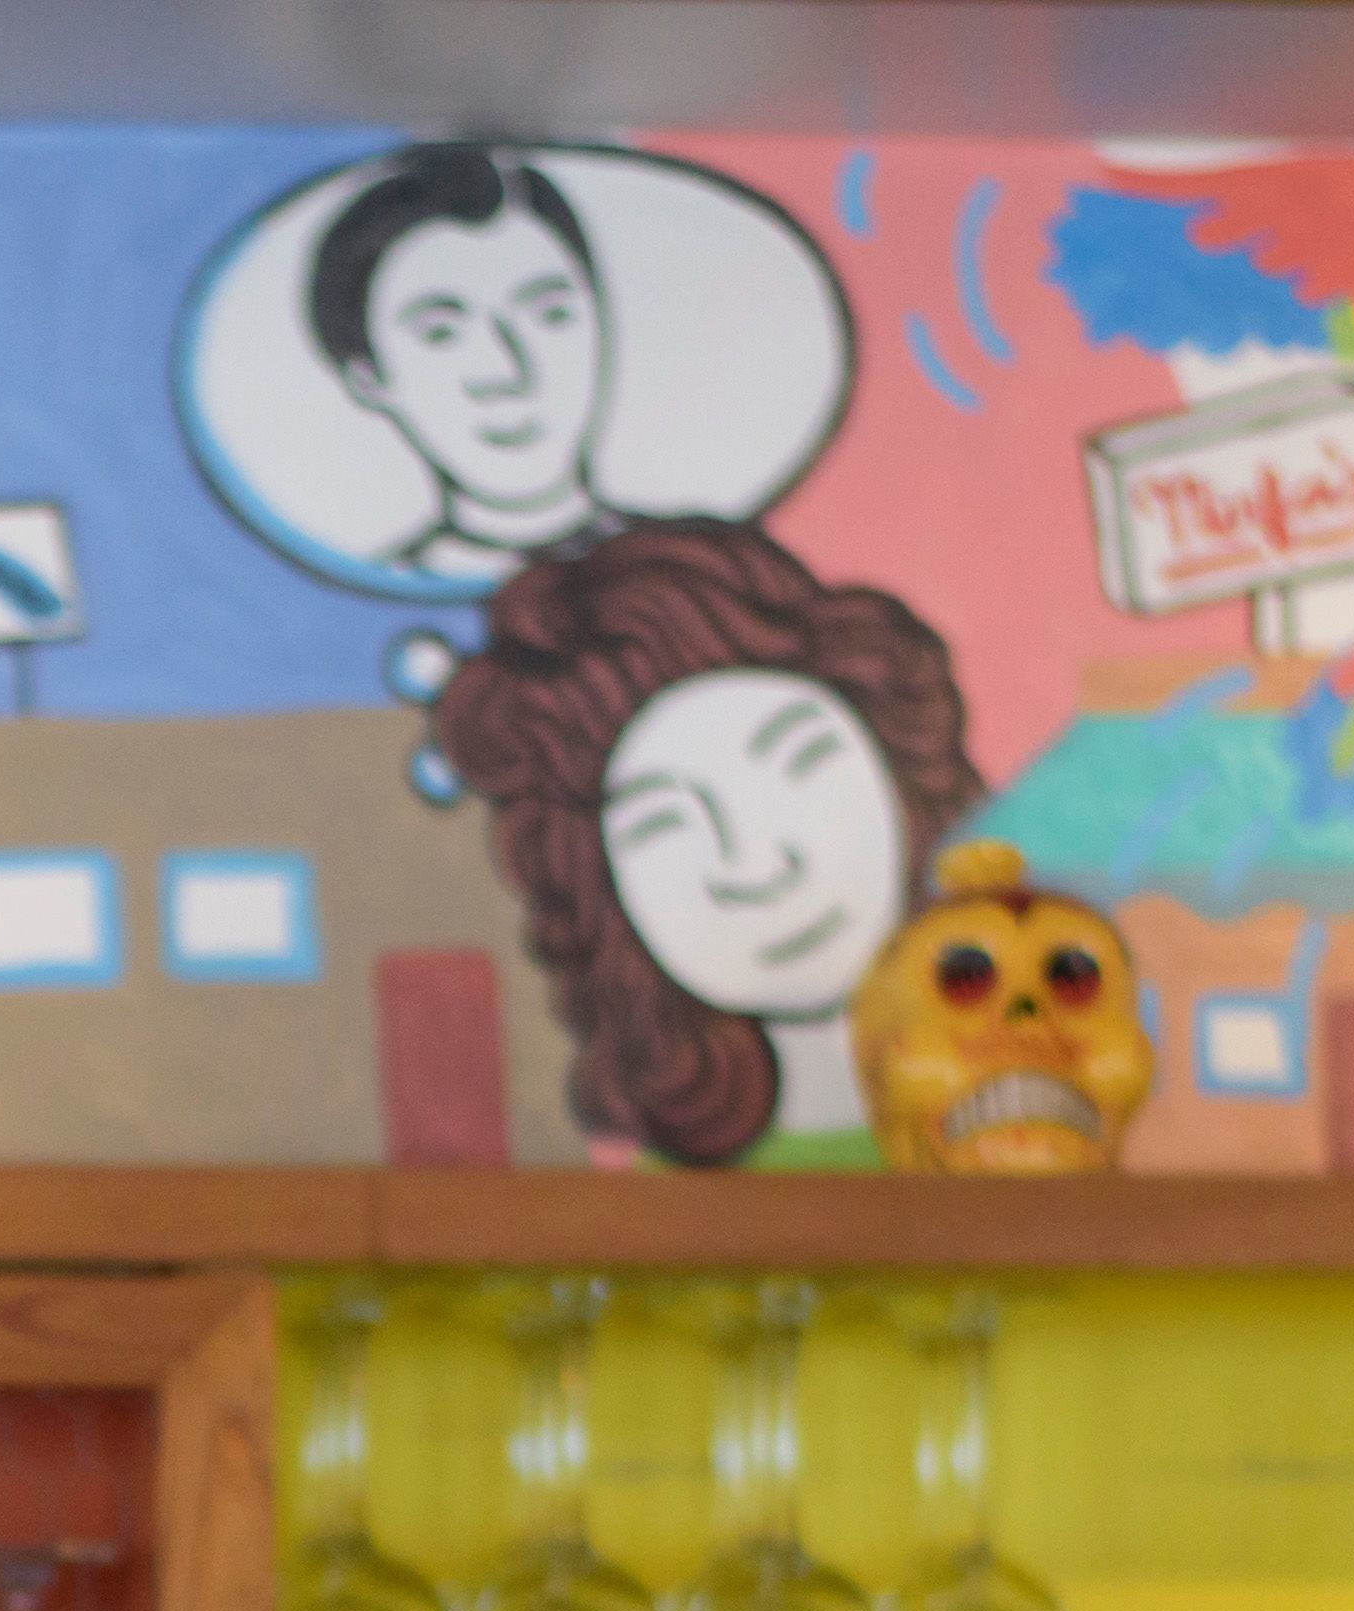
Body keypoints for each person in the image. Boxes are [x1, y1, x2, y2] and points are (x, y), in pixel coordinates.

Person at [427, 517, 978, 1168]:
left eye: (799, 764)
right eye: (664, 826)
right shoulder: (656, 1203)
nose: (756, 867)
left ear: (901, 780)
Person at [313, 142, 621, 589]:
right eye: (443, 334)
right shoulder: (389, 583)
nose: (509, 373)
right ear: (370, 377)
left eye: (551, 315)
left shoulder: (699, 567)